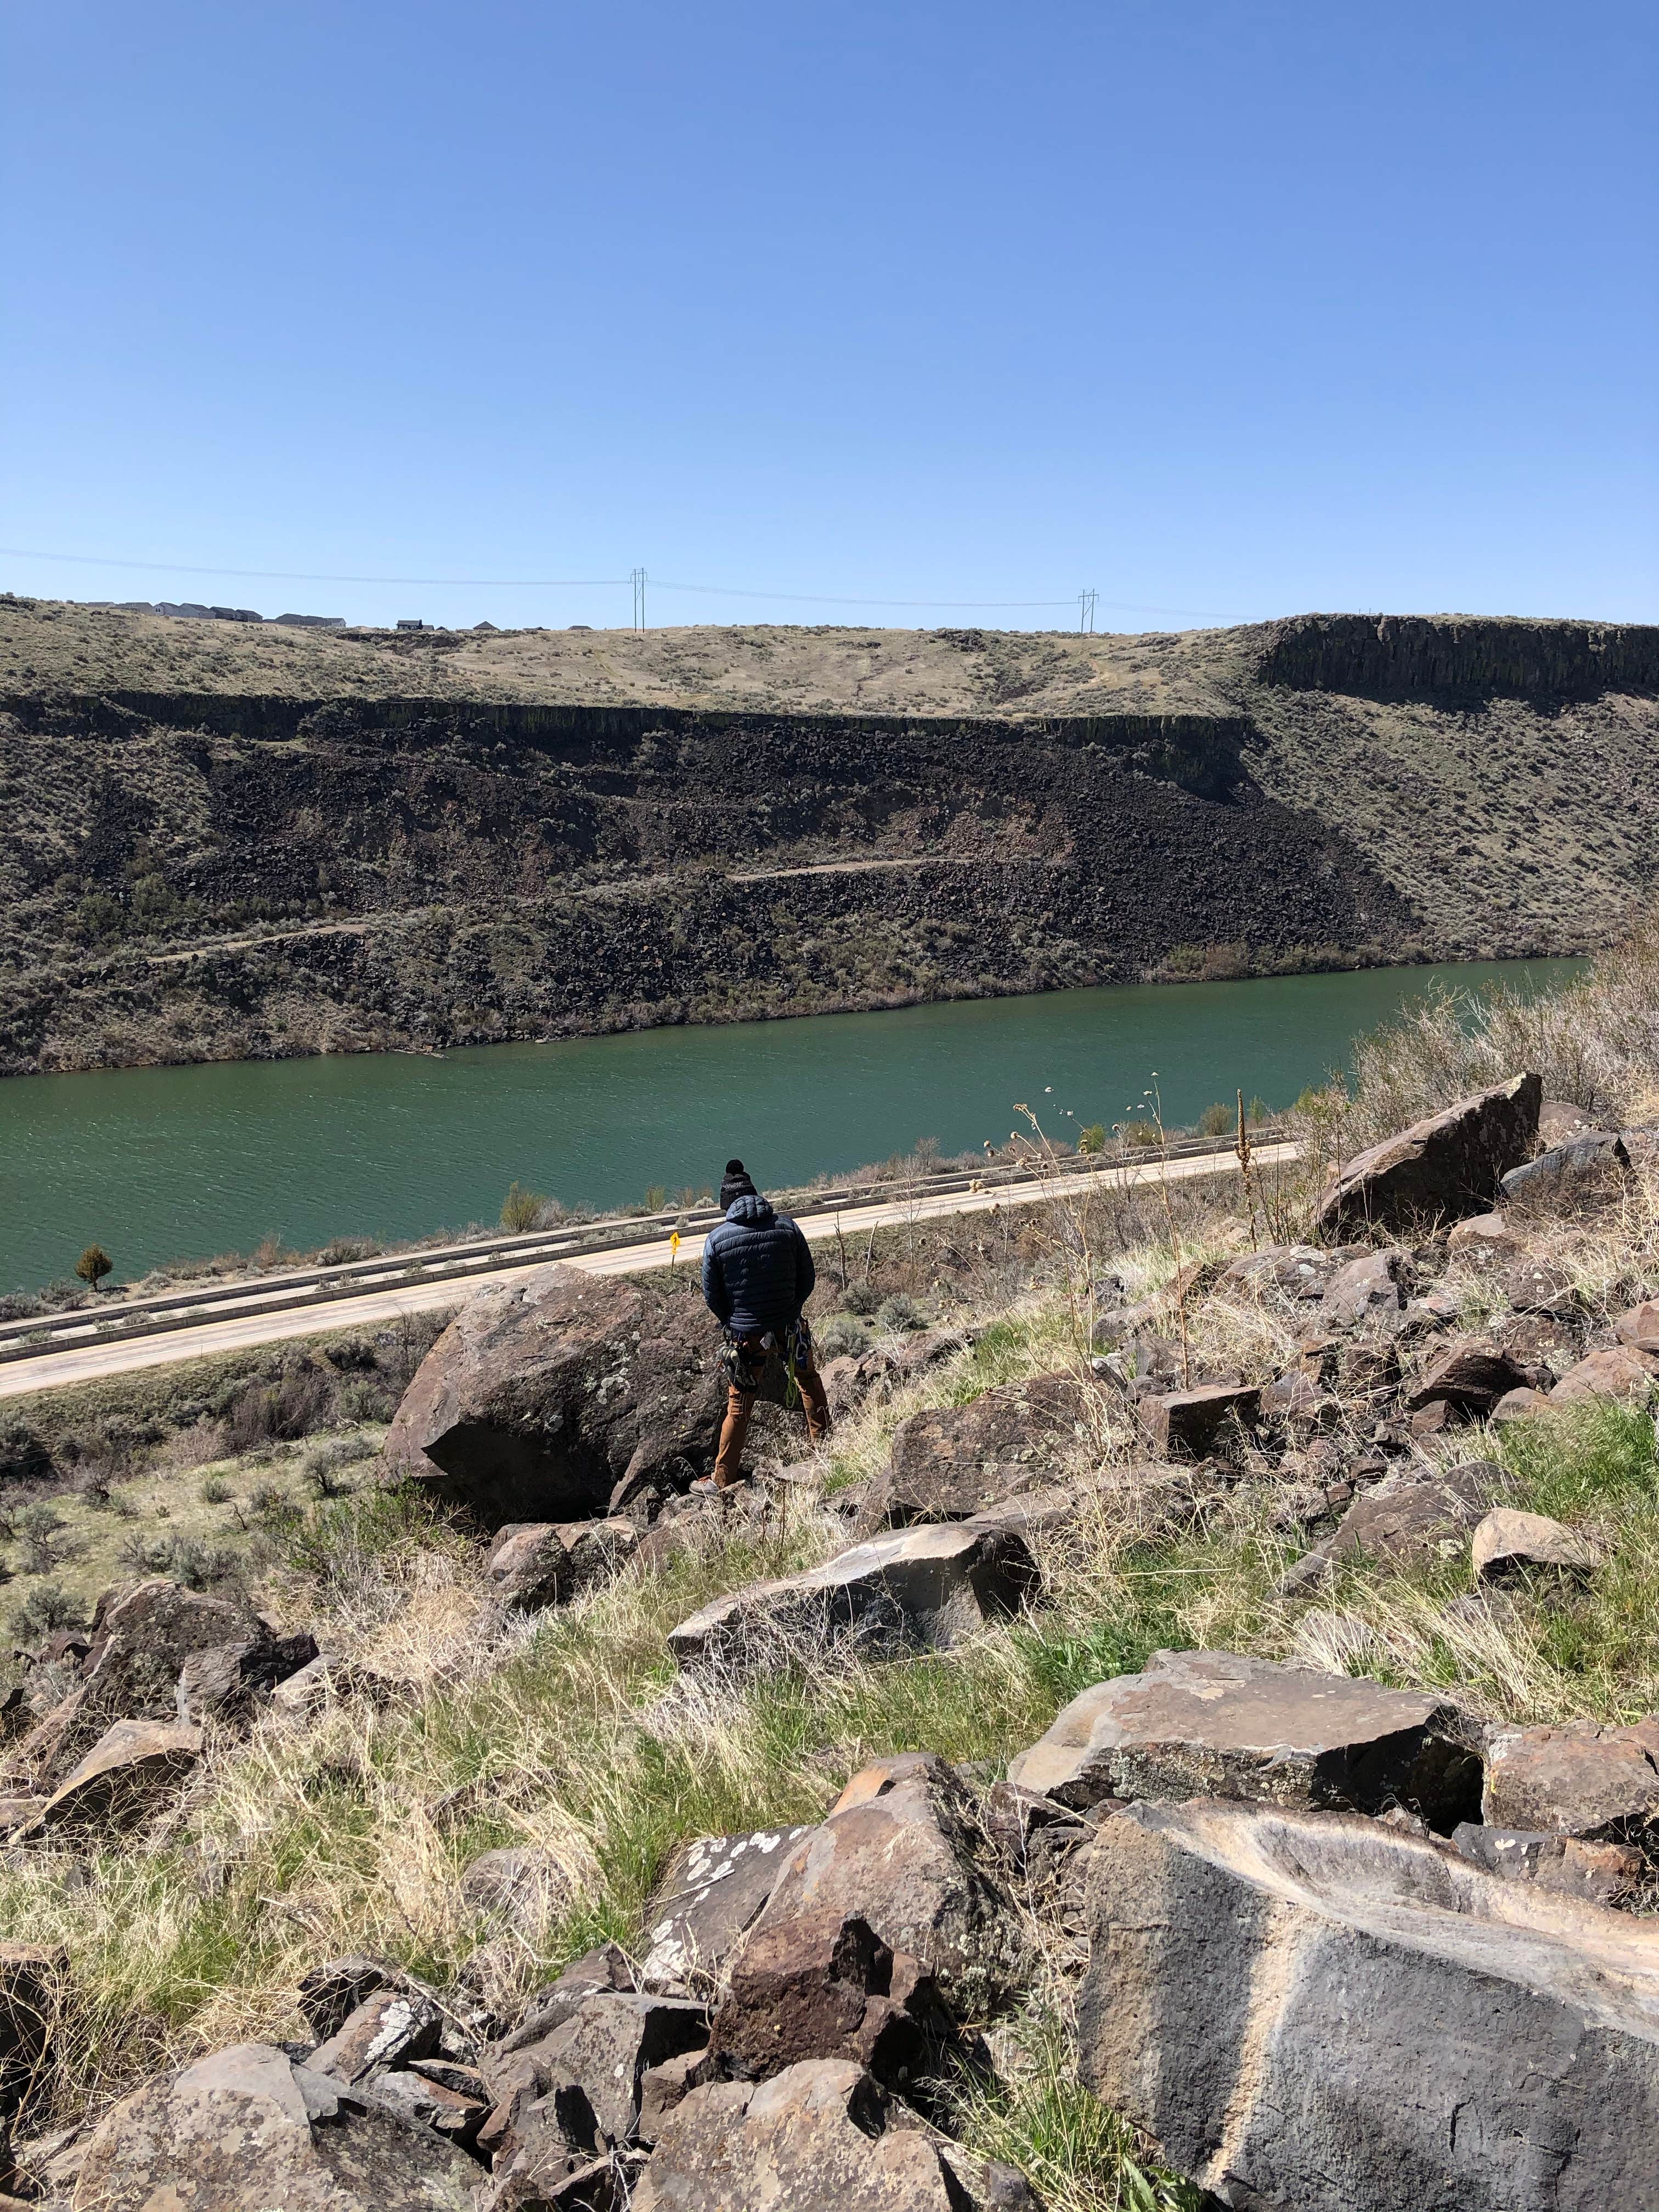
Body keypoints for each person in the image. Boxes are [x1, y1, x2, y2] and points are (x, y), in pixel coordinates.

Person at [699, 1158, 831, 1488]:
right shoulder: (787, 1227)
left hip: (747, 1337)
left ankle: (722, 1479)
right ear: (756, 1196)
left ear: (726, 1204)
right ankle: (826, 1453)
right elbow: (808, 1279)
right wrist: (792, 1308)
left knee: (739, 1406)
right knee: (808, 1381)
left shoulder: (717, 1239)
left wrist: (736, 1321)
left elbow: (713, 1296)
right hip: (790, 1326)